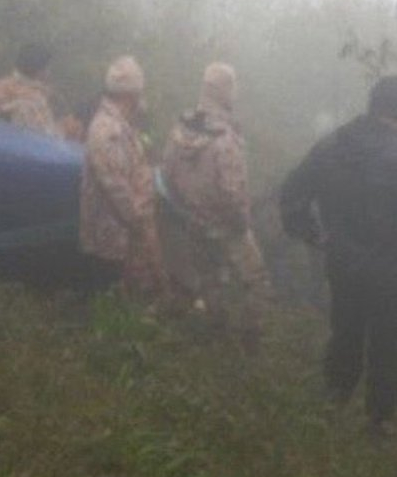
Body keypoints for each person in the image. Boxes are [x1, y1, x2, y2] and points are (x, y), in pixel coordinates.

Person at [280, 76, 397, 434]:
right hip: (390, 267)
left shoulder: (333, 144)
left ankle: (333, 402)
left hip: (342, 262)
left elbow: (292, 196)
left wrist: (316, 236)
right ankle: (380, 420)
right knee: (388, 340)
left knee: (345, 328)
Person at [160, 62, 268, 348]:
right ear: (224, 90)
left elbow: (167, 176)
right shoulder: (226, 138)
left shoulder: (181, 128)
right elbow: (232, 190)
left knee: (210, 280)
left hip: (193, 219)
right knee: (255, 280)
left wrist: (187, 207)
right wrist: (242, 221)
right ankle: (251, 342)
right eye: (233, 87)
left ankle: (216, 333)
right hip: (227, 224)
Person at [80, 56, 166, 297]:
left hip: (125, 237)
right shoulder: (108, 130)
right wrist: (139, 223)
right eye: (140, 92)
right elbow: (115, 186)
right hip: (114, 242)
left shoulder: (122, 125)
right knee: (117, 302)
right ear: (130, 94)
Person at [0, 44, 69, 138]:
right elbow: (46, 134)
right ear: (39, 68)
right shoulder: (38, 97)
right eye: (47, 67)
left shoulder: (1, 85)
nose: (49, 71)